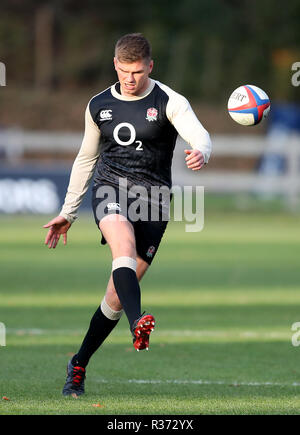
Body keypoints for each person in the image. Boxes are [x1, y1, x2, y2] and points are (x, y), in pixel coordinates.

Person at [43, 33, 212, 397]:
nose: (130, 78)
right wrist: (68, 211)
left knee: (114, 298)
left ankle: (79, 363)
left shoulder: (169, 101)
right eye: (123, 70)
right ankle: (139, 322)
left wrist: (201, 152)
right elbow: (87, 158)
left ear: (149, 66)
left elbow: (200, 136)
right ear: (115, 65)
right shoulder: (98, 105)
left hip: (154, 202)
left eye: (137, 71)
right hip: (110, 189)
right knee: (122, 245)